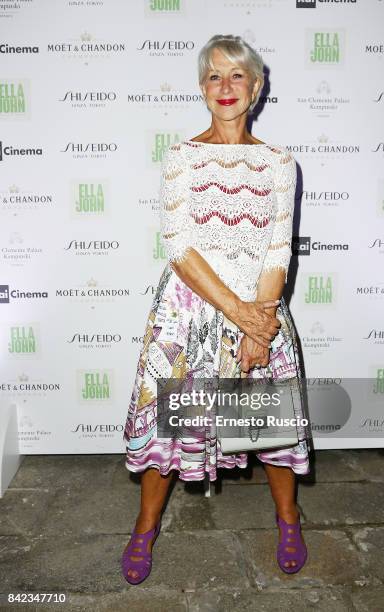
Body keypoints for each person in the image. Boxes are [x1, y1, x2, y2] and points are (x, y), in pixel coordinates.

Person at [122, 34, 311, 585]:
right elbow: (180, 247)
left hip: (261, 305)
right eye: (214, 76)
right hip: (188, 315)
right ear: (201, 88)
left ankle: (289, 519)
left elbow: (278, 248)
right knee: (170, 429)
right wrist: (241, 316)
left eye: (237, 76)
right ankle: (143, 528)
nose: (225, 87)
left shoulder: (279, 163)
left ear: (257, 87)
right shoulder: (182, 157)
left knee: (269, 427)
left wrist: (261, 323)